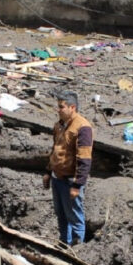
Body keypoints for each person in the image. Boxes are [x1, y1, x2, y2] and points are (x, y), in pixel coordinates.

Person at [43, 91, 93, 246]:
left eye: (61, 107)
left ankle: (77, 248)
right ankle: (65, 243)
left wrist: (78, 185)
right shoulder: (59, 125)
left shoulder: (83, 127)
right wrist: (48, 172)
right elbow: (55, 150)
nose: (58, 110)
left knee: (74, 216)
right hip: (57, 178)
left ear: (72, 107)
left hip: (70, 180)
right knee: (61, 214)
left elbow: (84, 158)